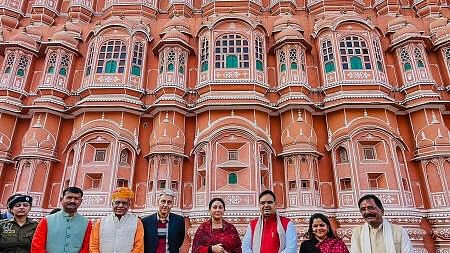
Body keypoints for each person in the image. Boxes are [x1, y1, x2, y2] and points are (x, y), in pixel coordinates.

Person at [31, 186, 92, 253]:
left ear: (81, 201)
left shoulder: (86, 223)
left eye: (76, 198)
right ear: (61, 199)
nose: (72, 201)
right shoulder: (47, 220)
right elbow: (37, 246)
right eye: (69, 197)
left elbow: (86, 247)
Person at [90, 187, 144, 253]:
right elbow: (93, 246)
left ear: (129, 205)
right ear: (112, 204)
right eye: (117, 202)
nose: (120, 206)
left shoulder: (136, 222)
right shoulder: (101, 222)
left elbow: (139, 247)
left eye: (124, 203)